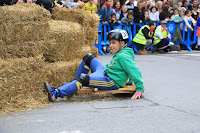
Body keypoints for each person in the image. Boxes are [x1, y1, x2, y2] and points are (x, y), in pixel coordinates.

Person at [44, 29, 145, 101]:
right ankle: (73, 86)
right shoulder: (123, 53)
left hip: (111, 82)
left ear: (122, 43)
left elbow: (134, 70)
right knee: (88, 57)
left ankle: (55, 94)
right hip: (105, 73)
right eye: (110, 43)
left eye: (113, 43)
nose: (110, 46)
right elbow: (129, 69)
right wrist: (130, 81)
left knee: (83, 79)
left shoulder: (123, 56)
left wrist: (139, 89)